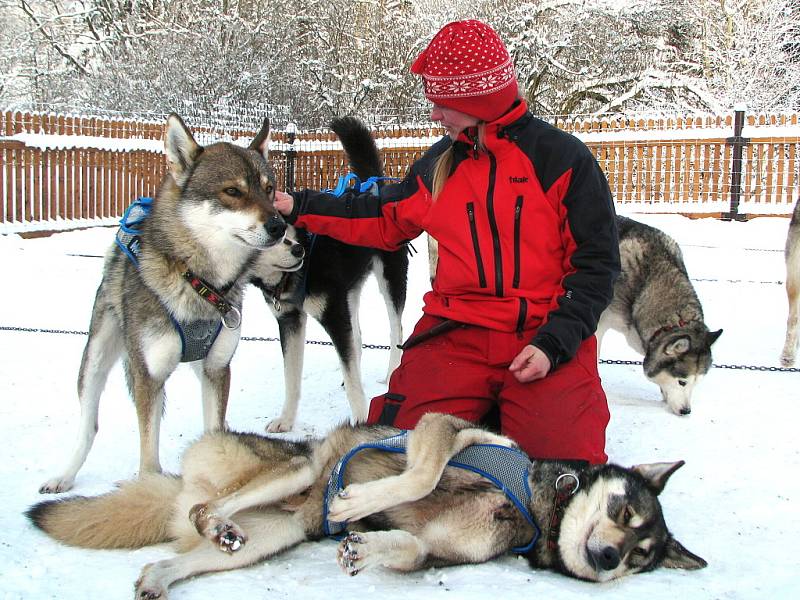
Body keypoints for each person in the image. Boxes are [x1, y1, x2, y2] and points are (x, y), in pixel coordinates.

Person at [274, 20, 620, 464]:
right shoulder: (442, 164)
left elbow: (596, 267)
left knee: (560, 474)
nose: (435, 115)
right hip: (457, 334)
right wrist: (298, 205)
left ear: (478, 100)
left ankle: (507, 415)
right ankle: (486, 412)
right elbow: (382, 216)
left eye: (443, 104)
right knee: (390, 456)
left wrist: (555, 343)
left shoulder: (562, 160)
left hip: (543, 333)